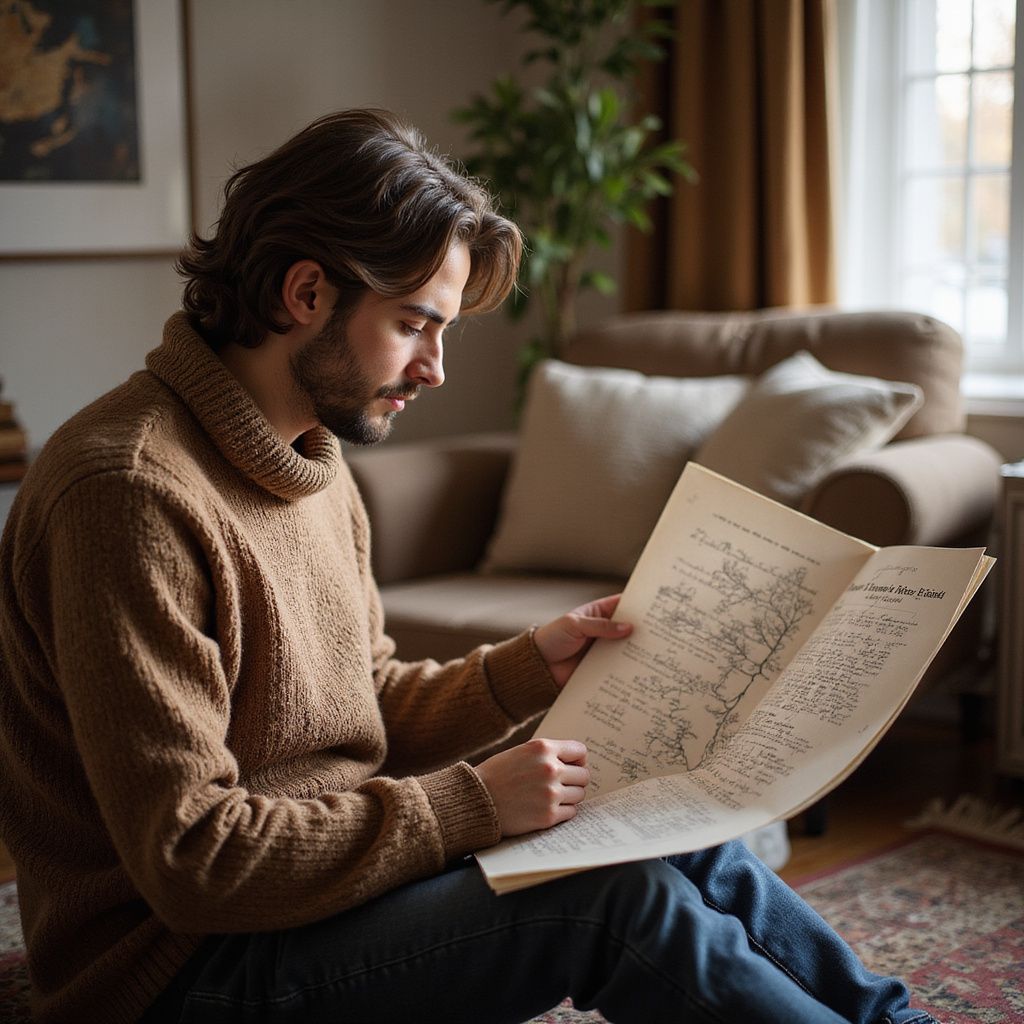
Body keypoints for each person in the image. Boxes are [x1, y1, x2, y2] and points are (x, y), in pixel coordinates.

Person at [0, 108, 936, 1024]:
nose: (435, 367)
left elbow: (357, 708)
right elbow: (194, 863)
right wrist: (471, 806)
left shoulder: (310, 460)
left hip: (316, 893)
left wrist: (533, 664)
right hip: (177, 968)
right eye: (414, 325)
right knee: (608, 903)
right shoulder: (126, 494)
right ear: (306, 293)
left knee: (657, 821)